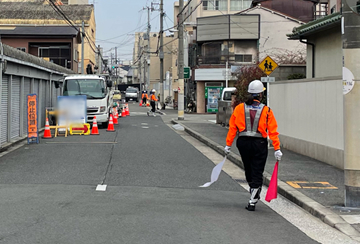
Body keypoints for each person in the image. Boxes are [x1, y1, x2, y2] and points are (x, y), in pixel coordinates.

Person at [224, 80, 282, 211]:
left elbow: (232, 128)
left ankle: (253, 189)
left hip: (243, 143)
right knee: (257, 169)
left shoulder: (239, 108)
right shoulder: (266, 111)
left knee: (248, 168)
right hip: (259, 143)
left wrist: (228, 145)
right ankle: (253, 198)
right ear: (260, 94)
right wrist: (277, 148)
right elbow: (273, 131)